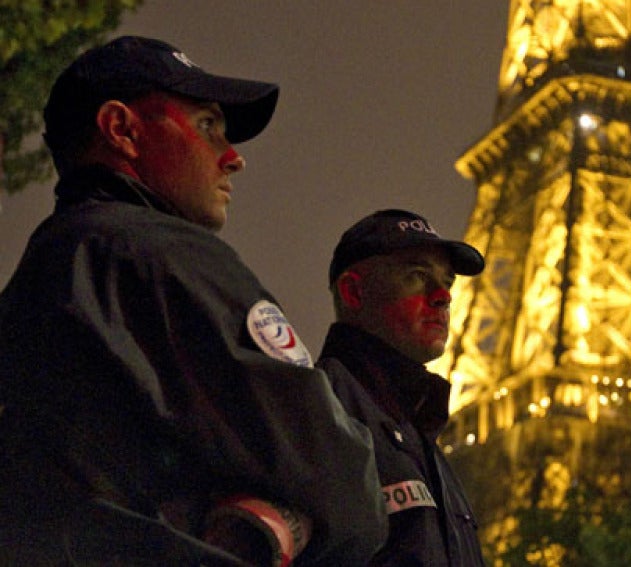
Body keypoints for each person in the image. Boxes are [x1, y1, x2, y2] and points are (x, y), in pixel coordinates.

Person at [0, 36, 386, 566]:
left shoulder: (38, 280)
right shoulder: (163, 258)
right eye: (206, 126)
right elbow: (335, 471)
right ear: (122, 130)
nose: (233, 158)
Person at [317, 209, 487, 566]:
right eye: (417, 276)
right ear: (353, 291)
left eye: (447, 282)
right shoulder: (317, 410)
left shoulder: (421, 435)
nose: (443, 296)